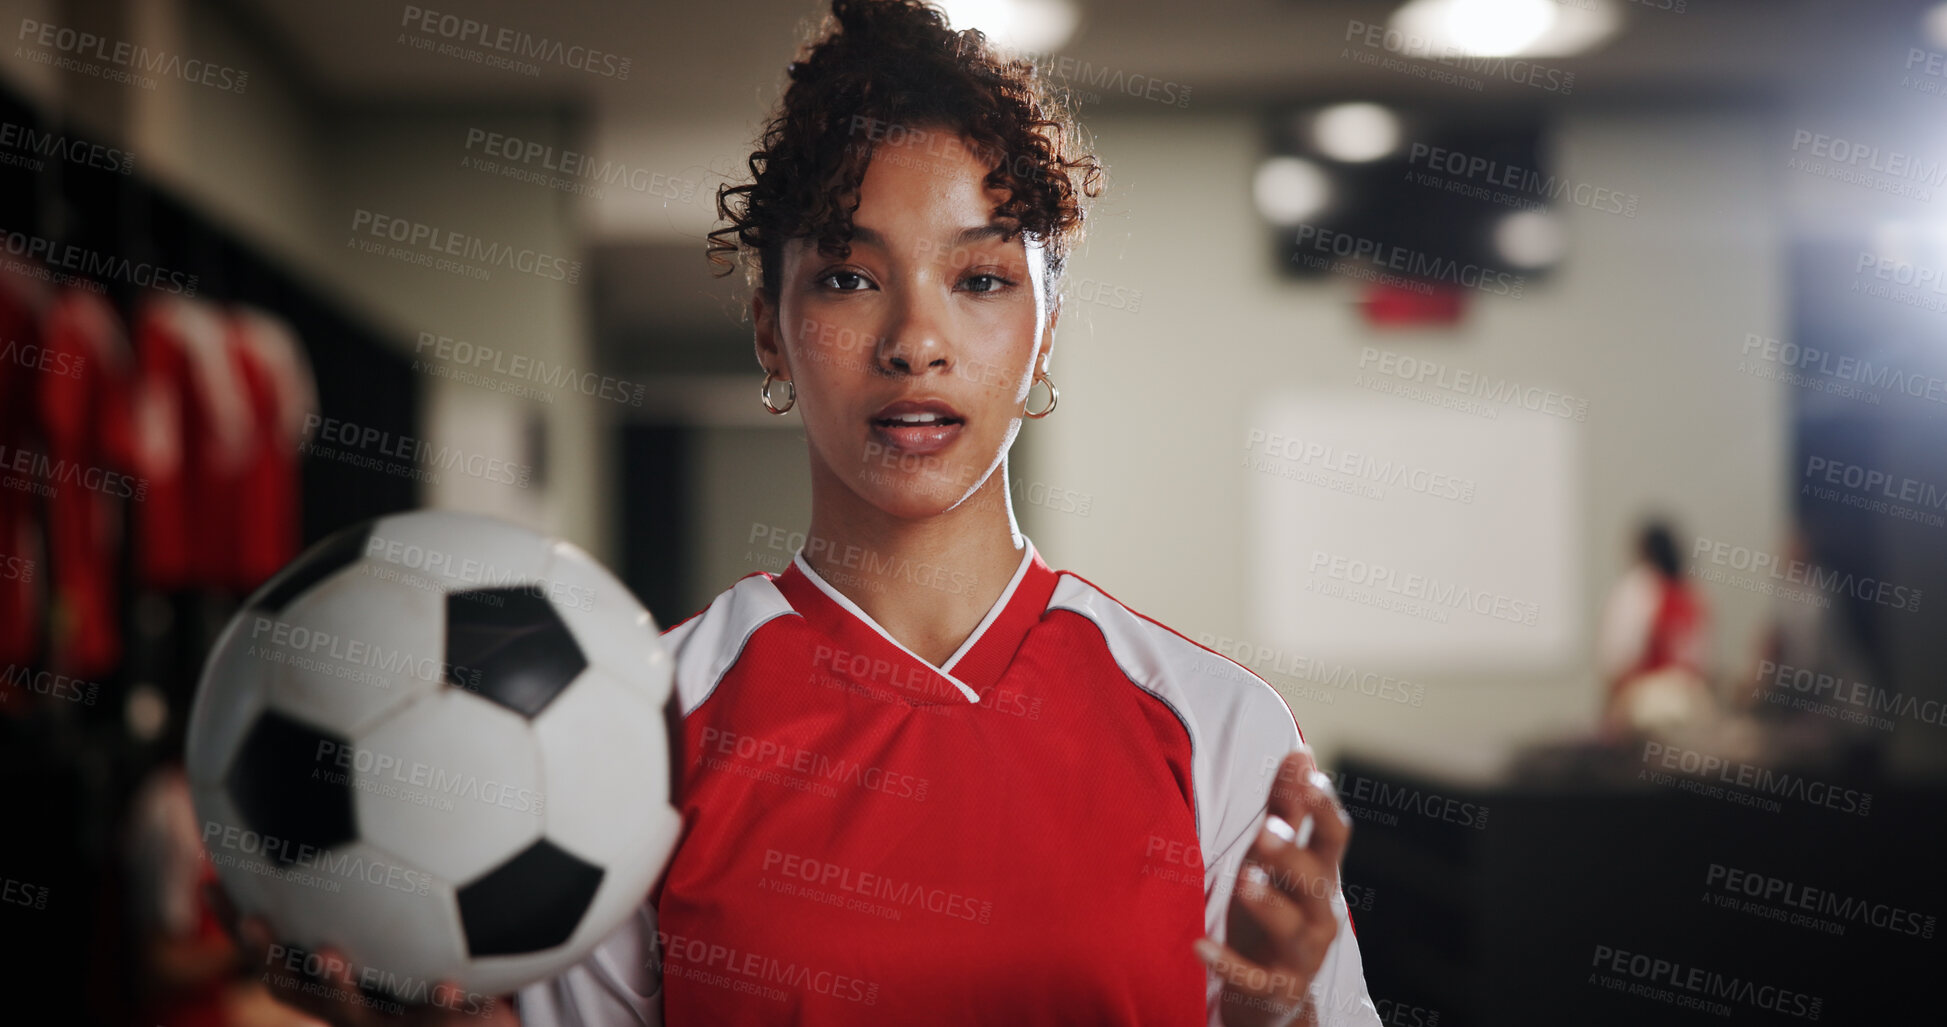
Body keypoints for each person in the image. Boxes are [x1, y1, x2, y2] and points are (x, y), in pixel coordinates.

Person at [227, 2, 1380, 1024]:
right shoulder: (638, 727)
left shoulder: (1222, 730)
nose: (914, 340)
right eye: (847, 275)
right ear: (771, 328)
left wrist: (1271, 1014)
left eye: (980, 279)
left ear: (1045, 327)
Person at [1595, 517, 1711, 736]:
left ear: (1642, 551)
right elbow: (1703, 661)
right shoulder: (1693, 594)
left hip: (1647, 706)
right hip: (1692, 702)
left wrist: (1610, 712)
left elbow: (1617, 661)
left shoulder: (1636, 589)